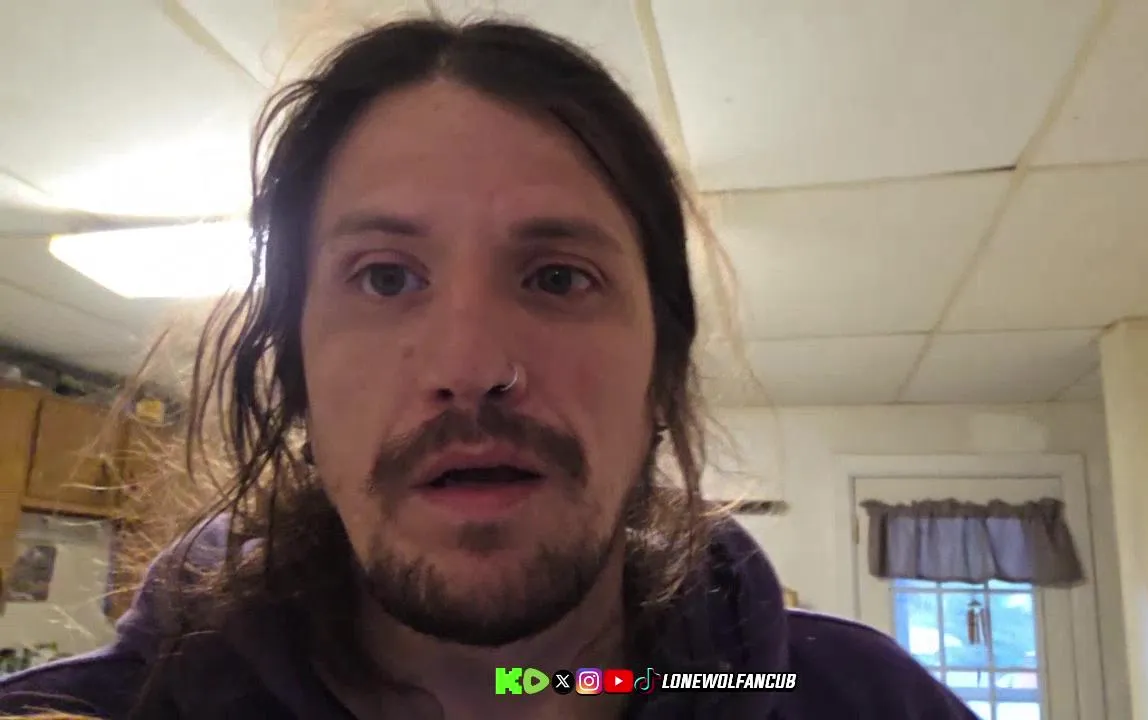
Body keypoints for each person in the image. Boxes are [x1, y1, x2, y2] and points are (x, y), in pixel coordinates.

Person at [0, 17, 978, 720]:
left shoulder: (868, 703)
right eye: (385, 277)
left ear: (661, 371)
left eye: (558, 276)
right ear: (296, 374)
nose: (469, 368)